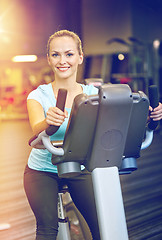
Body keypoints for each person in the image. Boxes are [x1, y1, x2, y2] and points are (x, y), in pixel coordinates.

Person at [24, 30, 100, 240]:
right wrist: (48, 122)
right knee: (47, 231)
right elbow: (36, 128)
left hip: (78, 166)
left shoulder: (93, 94)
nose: (62, 61)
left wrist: (150, 116)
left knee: (102, 226)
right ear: (48, 59)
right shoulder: (38, 95)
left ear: (80, 57)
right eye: (55, 55)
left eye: (69, 54)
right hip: (42, 171)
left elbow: (118, 117)